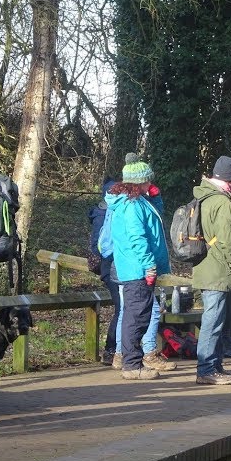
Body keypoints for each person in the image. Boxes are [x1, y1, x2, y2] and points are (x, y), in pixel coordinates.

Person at [101, 155, 171, 372]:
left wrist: (155, 198)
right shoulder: (131, 205)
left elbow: (153, 218)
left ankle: (132, 361)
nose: (150, 184)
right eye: (147, 181)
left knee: (138, 314)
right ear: (138, 182)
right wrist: (149, 265)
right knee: (136, 317)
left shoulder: (136, 201)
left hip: (135, 267)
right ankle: (131, 364)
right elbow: (137, 238)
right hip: (136, 268)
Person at [191, 156, 231, 385]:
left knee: (214, 319)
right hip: (218, 270)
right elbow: (229, 240)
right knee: (213, 321)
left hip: (205, 265)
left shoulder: (202, 197)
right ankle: (206, 369)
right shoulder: (222, 202)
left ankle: (215, 365)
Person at [88, 177, 121, 365]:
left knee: (123, 308)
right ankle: (111, 350)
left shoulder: (101, 210)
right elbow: (102, 246)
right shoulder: (106, 213)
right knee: (122, 308)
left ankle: (115, 349)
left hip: (108, 266)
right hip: (110, 265)